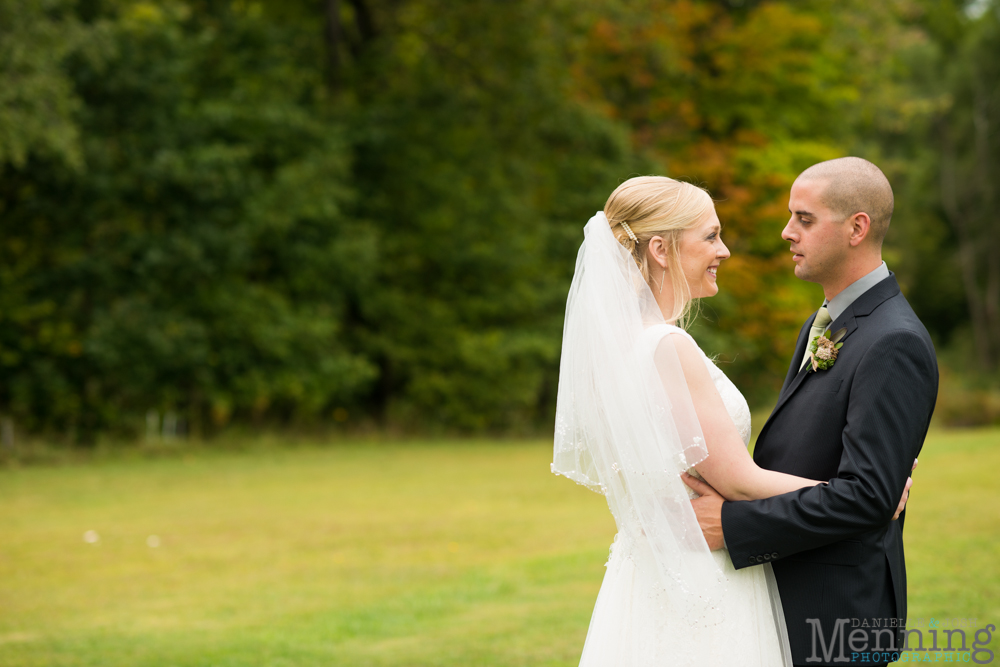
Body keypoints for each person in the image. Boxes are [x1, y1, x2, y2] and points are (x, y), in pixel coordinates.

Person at [551, 174, 916, 667]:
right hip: (703, 584)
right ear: (660, 249)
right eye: (710, 236)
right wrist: (869, 498)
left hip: (646, 579)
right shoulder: (666, 346)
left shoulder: (615, 352)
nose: (724, 250)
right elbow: (741, 481)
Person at [684, 157, 937, 667]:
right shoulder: (824, 322)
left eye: (804, 218)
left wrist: (733, 525)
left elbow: (868, 499)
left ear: (856, 228)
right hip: (794, 592)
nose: (786, 232)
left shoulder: (895, 341)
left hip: (837, 618)